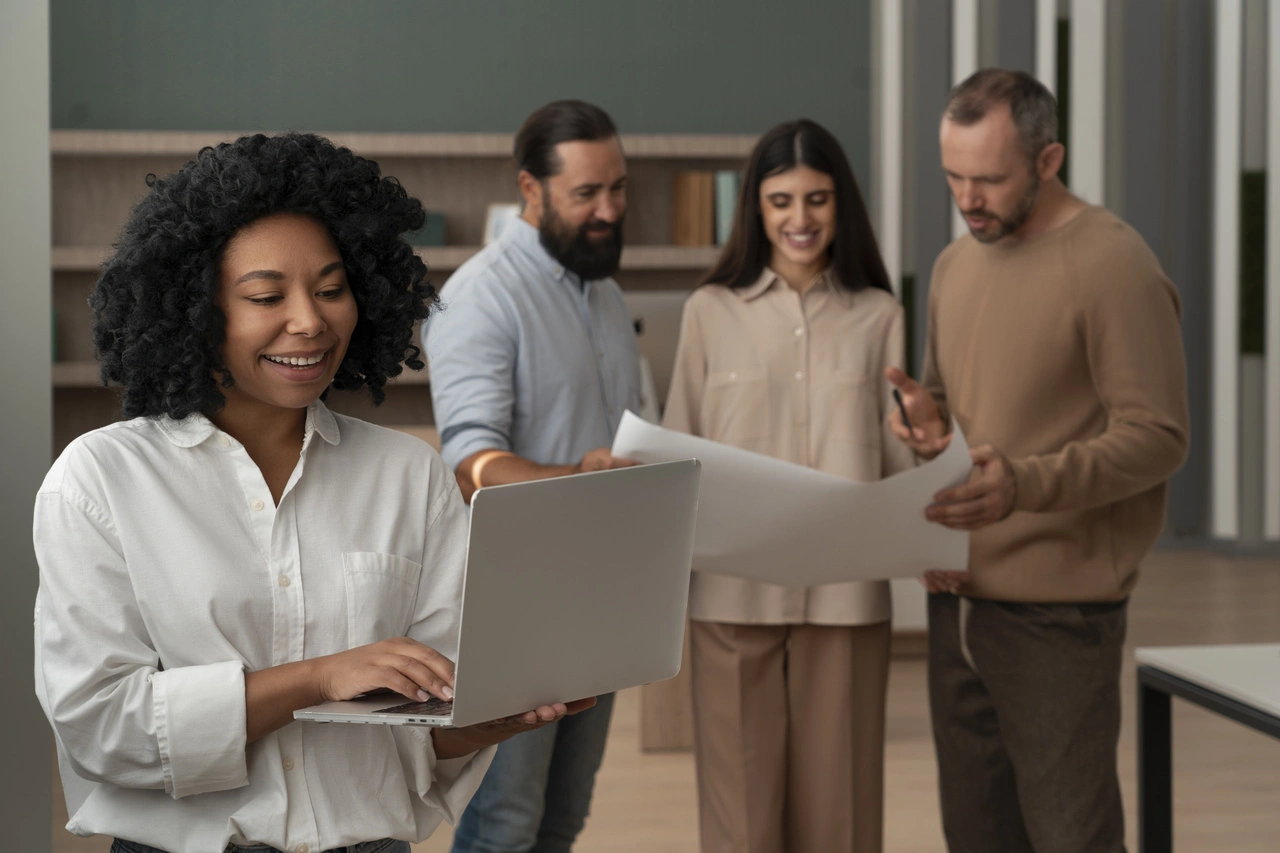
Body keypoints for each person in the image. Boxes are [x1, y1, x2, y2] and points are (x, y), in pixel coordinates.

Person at [33, 132, 593, 853]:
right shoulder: (100, 481)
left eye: (332, 289)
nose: (311, 319)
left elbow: (420, 743)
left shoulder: (408, 477)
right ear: (194, 310)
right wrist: (318, 678)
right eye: (267, 295)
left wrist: (498, 715)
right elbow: (102, 730)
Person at [886, 69, 1190, 853]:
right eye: (953, 176)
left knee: (1071, 838)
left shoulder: (1113, 264)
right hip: (956, 602)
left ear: (1049, 159)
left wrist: (1024, 483)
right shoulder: (956, 266)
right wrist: (929, 429)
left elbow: (1158, 434)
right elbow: (959, 409)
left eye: (989, 178)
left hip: (1060, 618)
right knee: (978, 838)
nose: (968, 198)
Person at [662, 119, 913, 853]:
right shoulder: (708, 313)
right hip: (731, 593)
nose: (799, 219)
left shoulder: (880, 315)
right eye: (780, 202)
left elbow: (900, 466)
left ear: (842, 205)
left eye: (817, 199)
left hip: (845, 594)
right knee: (741, 817)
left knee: (843, 814)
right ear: (756, 209)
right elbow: (679, 453)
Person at [423, 99, 640, 853]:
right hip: (515, 603)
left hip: (601, 594)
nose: (609, 209)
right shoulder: (480, 296)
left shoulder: (604, 292)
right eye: (587, 194)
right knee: (504, 820)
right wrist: (577, 476)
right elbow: (472, 463)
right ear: (530, 188)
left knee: (563, 816)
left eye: (617, 188)